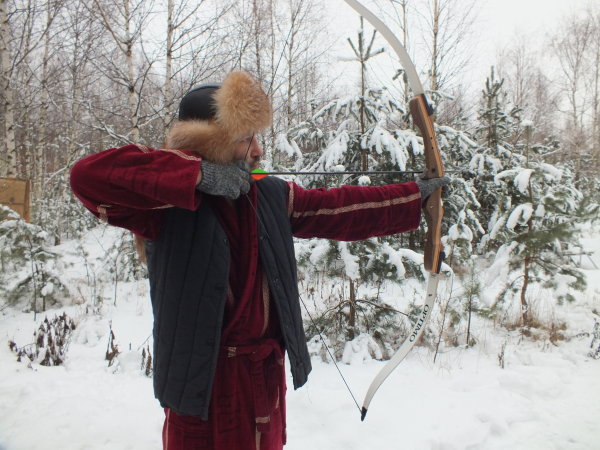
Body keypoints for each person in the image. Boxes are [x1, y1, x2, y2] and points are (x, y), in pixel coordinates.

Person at [70, 71, 448, 450]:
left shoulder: (266, 191)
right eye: (245, 138)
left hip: (262, 383)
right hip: (203, 387)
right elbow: (86, 176)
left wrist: (415, 197)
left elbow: (336, 208)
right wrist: (195, 175)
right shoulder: (166, 201)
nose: (258, 150)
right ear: (213, 143)